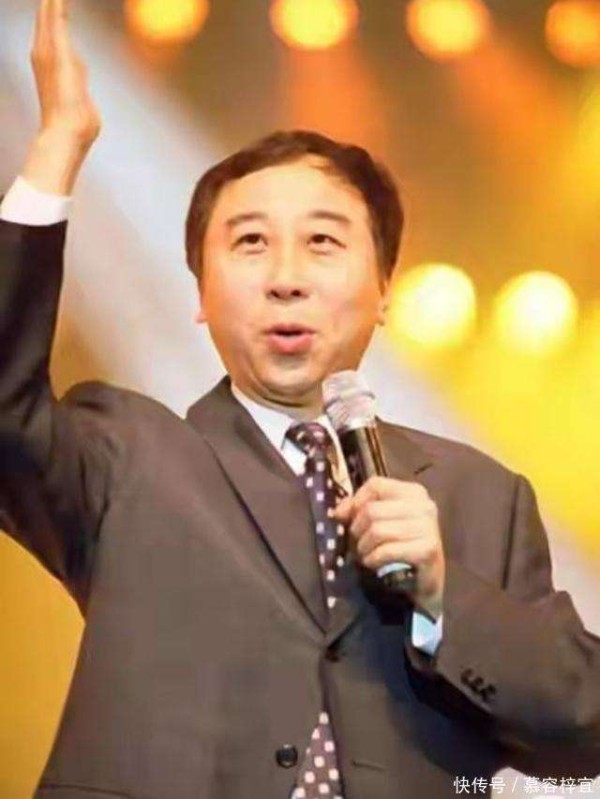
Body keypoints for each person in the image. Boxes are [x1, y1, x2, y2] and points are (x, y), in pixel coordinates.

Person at [1, 2, 599, 798]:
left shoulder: (482, 495)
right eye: (250, 242)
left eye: (323, 241)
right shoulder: (120, 454)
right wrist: (57, 145)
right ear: (200, 295)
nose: (286, 277)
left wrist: (443, 593)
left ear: (384, 291)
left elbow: (582, 725)